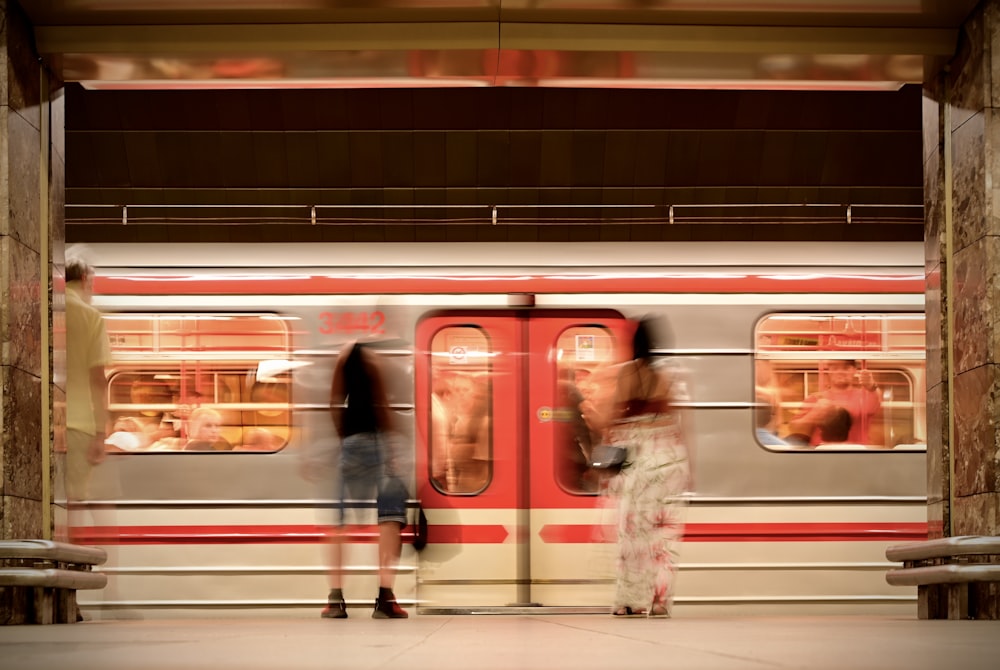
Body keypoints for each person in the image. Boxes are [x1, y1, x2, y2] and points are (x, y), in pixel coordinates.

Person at [600, 318, 692, 618]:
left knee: (632, 535)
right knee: (661, 537)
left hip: (639, 458)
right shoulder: (666, 376)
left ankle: (630, 602)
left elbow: (613, 415)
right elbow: (680, 422)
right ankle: (660, 601)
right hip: (669, 457)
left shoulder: (627, 373)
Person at [322, 340, 408, 619]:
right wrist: (392, 450)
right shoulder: (373, 357)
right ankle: (385, 598)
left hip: (350, 443)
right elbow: (381, 405)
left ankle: (335, 600)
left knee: (338, 523)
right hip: (378, 444)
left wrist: (343, 439)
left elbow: (334, 402)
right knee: (389, 518)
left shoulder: (343, 355)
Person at [65, 258, 112, 502]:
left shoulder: (44, 309)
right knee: (73, 504)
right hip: (79, 427)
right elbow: (97, 379)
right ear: (84, 279)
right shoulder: (90, 317)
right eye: (93, 283)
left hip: (43, 425)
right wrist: (100, 434)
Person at [788, 359, 881, 446]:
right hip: (821, 453)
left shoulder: (865, 395)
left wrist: (871, 385)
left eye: (846, 368)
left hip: (855, 453)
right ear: (829, 371)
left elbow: (875, 400)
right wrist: (814, 413)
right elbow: (794, 428)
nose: (840, 372)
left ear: (854, 371)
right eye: (835, 368)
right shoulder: (815, 398)